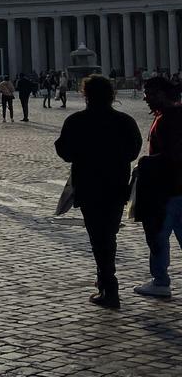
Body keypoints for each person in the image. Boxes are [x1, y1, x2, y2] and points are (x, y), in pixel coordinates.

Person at [55, 74, 142, 308]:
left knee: (98, 237)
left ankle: (108, 286)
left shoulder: (76, 121)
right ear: (111, 95)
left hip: (89, 185)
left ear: (86, 95)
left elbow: (65, 152)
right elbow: (134, 151)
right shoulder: (124, 121)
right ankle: (106, 282)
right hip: (116, 185)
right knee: (108, 234)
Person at [133, 75, 182, 299]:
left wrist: (146, 163)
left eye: (150, 94)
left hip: (168, 188)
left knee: (158, 236)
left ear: (162, 94)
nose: (146, 99)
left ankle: (160, 281)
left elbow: (174, 155)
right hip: (176, 187)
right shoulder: (173, 114)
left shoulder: (167, 119)